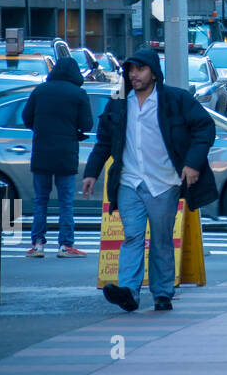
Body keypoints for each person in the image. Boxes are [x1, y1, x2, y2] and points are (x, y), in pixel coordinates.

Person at [81, 48, 218, 312]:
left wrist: (192, 164)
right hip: (130, 182)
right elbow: (105, 142)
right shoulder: (119, 104)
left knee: (162, 239)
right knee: (132, 236)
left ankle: (162, 293)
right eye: (130, 70)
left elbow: (205, 127)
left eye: (140, 70)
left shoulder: (175, 101)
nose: (134, 75)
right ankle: (129, 292)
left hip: (164, 182)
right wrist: (91, 173)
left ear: (154, 73)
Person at [22, 54, 93, 258]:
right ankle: (65, 245)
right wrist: (74, 130)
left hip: (42, 153)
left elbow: (26, 118)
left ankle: (37, 244)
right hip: (66, 154)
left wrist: (42, 128)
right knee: (65, 202)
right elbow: (86, 124)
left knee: (40, 200)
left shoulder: (40, 91)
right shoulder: (78, 94)